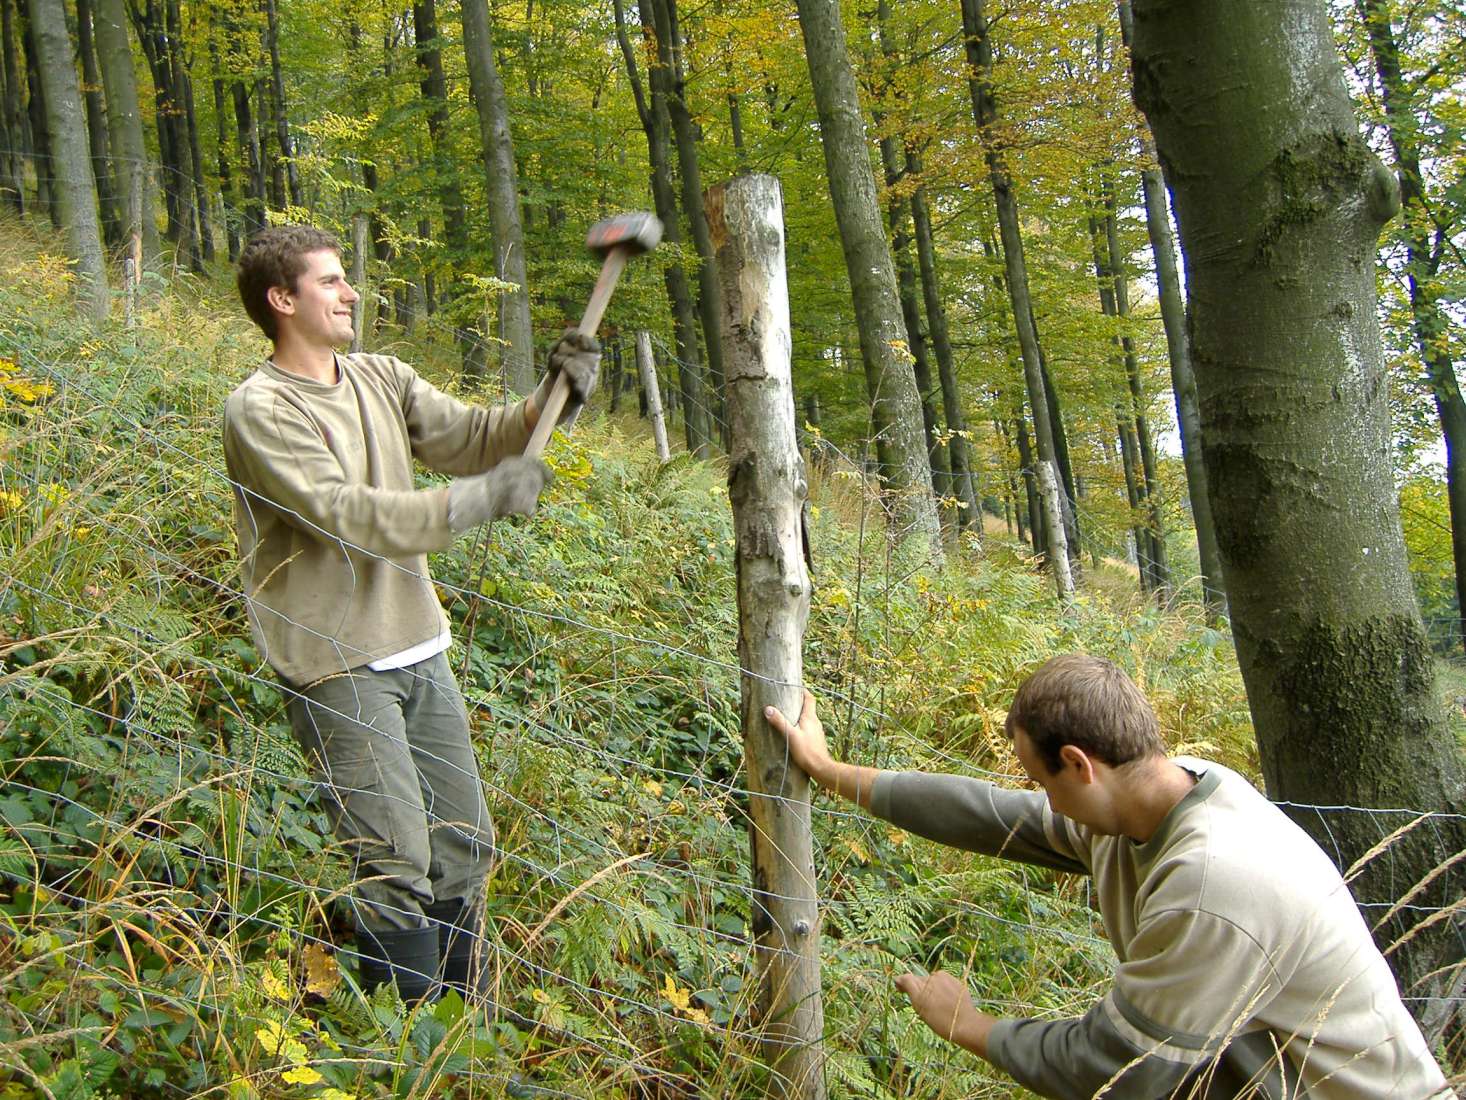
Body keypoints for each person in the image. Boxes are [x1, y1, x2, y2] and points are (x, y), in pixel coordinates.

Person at [764, 654, 1454, 1099]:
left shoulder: (1213, 882)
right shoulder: (1155, 794)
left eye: (1041, 780)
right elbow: (990, 815)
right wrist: (830, 773)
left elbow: (1122, 1066)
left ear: (1079, 763)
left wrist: (970, 1026)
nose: (1040, 798)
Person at [223, 224, 599, 1003]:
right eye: (329, 282)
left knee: (465, 844)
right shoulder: (259, 410)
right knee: (393, 860)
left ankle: (460, 1025)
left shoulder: (382, 377)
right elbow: (341, 512)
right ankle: (407, 1042)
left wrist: (549, 403)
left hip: (416, 643)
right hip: (334, 660)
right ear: (281, 299)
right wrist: (477, 502)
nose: (350, 291)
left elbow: (474, 438)